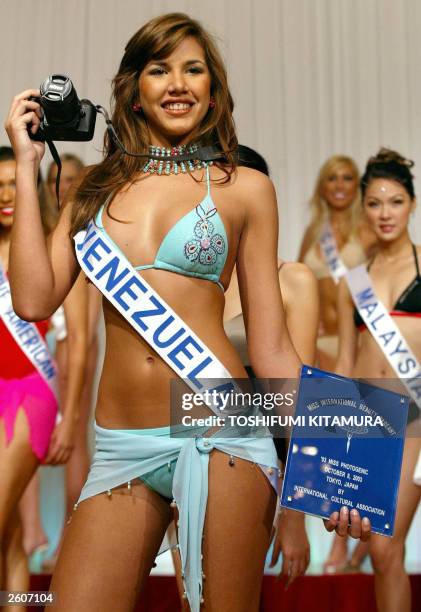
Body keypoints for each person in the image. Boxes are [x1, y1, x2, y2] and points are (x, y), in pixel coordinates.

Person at [5, 13, 369, 611]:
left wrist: (333, 469)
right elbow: (33, 300)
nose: (178, 83)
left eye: (193, 69)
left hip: (219, 427)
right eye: (160, 69)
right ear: (135, 91)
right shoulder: (92, 190)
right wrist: (25, 164)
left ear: (213, 90)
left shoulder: (245, 187)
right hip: (120, 443)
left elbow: (274, 351)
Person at [335, 148, 421, 611]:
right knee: (380, 552)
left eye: (395, 202)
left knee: (386, 546)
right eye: (374, 203)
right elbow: (347, 363)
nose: (385, 213)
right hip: (367, 418)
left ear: (411, 204)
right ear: (363, 207)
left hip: (413, 418)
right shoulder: (354, 279)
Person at [0, 146, 82, 601]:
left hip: (31, 392)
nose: (7, 195)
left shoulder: (49, 244)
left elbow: (78, 347)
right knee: (8, 529)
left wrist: (70, 418)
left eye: (17, 183)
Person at [299, 155, 375, 371]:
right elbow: (297, 282)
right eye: (332, 178)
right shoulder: (313, 232)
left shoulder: (369, 229)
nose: (340, 185)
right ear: (322, 187)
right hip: (318, 341)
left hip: (357, 340)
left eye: (347, 178)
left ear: (357, 186)